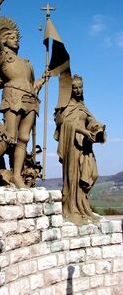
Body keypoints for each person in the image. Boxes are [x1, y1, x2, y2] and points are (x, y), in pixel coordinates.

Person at [0, 0, 48, 188]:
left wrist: (42, 80)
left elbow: (32, 85)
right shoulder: (3, 56)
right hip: (12, 97)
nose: (17, 39)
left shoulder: (26, 62)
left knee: (23, 140)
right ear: (4, 40)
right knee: (8, 137)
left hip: (30, 100)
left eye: (17, 37)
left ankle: (17, 175)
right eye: (12, 36)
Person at [54, 74, 106, 225]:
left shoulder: (83, 106)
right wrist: (82, 131)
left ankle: (83, 204)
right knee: (72, 177)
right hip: (71, 146)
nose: (77, 90)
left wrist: (97, 127)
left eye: (80, 87)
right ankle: (72, 208)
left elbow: (91, 120)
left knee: (93, 174)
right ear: (69, 90)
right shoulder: (65, 108)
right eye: (74, 88)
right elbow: (65, 126)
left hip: (85, 147)